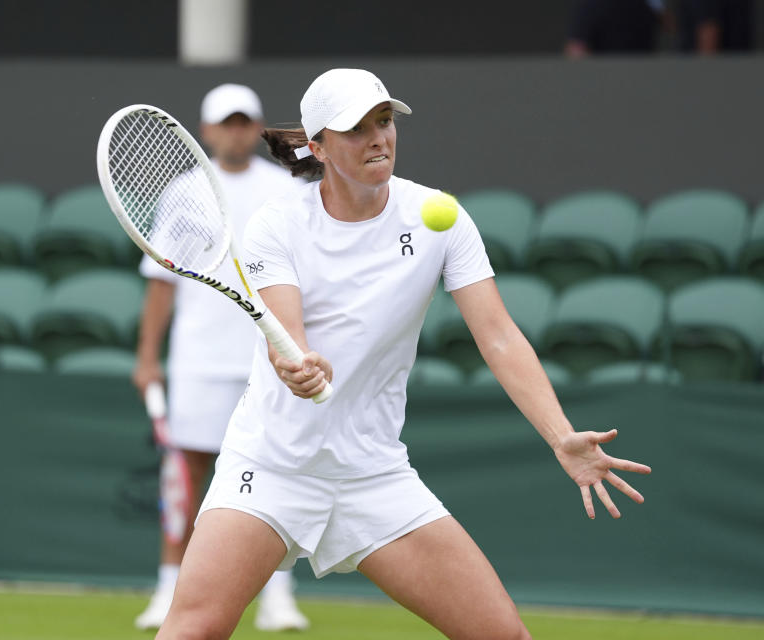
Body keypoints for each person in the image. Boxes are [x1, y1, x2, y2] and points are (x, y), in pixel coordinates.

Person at [154, 68, 652, 640]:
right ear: (316, 146)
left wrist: (559, 433)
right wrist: (300, 367)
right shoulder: (278, 224)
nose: (378, 138)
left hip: (373, 474)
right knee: (192, 631)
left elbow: (498, 336)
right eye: (356, 128)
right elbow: (285, 339)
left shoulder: (440, 218)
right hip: (270, 465)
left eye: (385, 121)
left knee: (503, 636)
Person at [132, 83, 309, 632]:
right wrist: (147, 357)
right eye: (226, 122)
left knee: (277, 474)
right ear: (208, 131)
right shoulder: (184, 192)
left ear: (256, 128)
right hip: (198, 359)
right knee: (184, 475)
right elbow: (163, 281)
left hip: (270, 357)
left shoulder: (287, 187)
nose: (236, 131)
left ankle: (277, 594)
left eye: (244, 121)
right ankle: (168, 589)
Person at [565, 0, 665, 57]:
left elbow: (576, 50)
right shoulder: (590, 6)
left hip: (639, 76)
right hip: (606, 79)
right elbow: (577, 49)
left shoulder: (647, 6)